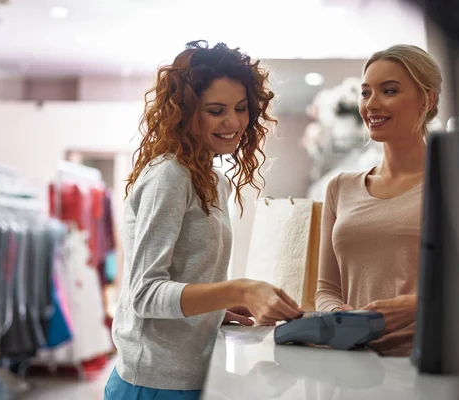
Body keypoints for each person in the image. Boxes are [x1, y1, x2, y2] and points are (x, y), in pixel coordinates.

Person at [105, 40, 303, 400]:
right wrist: (239, 289)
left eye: (241, 108)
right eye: (216, 110)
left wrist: (213, 308)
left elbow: (185, 275)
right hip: (151, 384)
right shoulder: (169, 175)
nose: (233, 122)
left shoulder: (213, 180)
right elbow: (145, 295)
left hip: (192, 374)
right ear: (185, 112)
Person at [315, 44, 442, 356]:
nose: (371, 104)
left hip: (423, 365)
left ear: (427, 100)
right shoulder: (340, 188)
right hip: (354, 367)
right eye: (365, 92)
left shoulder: (454, 188)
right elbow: (326, 289)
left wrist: (419, 306)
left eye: (389, 90)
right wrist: (336, 315)